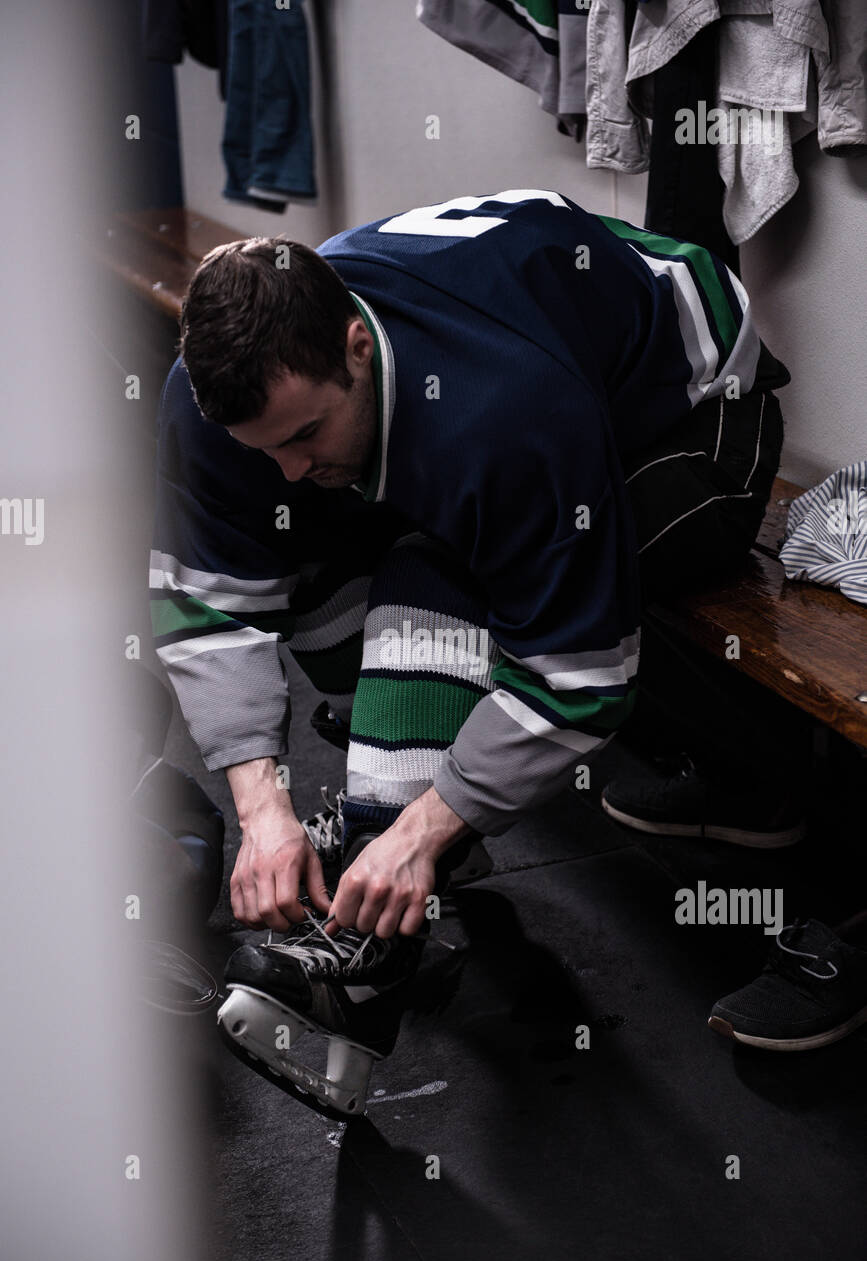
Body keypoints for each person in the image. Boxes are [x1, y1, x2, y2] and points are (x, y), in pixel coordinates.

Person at [150, 189, 790, 1115]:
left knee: (440, 575)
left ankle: (368, 966)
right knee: (303, 536)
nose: (287, 465)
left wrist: (418, 834)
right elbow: (208, 600)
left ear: (355, 347)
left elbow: (578, 682)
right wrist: (262, 811)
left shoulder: (507, 408)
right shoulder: (217, 401)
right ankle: (399, 831)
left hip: (694, 417)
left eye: (302, 435)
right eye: (263, 446)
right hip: (530, 349)